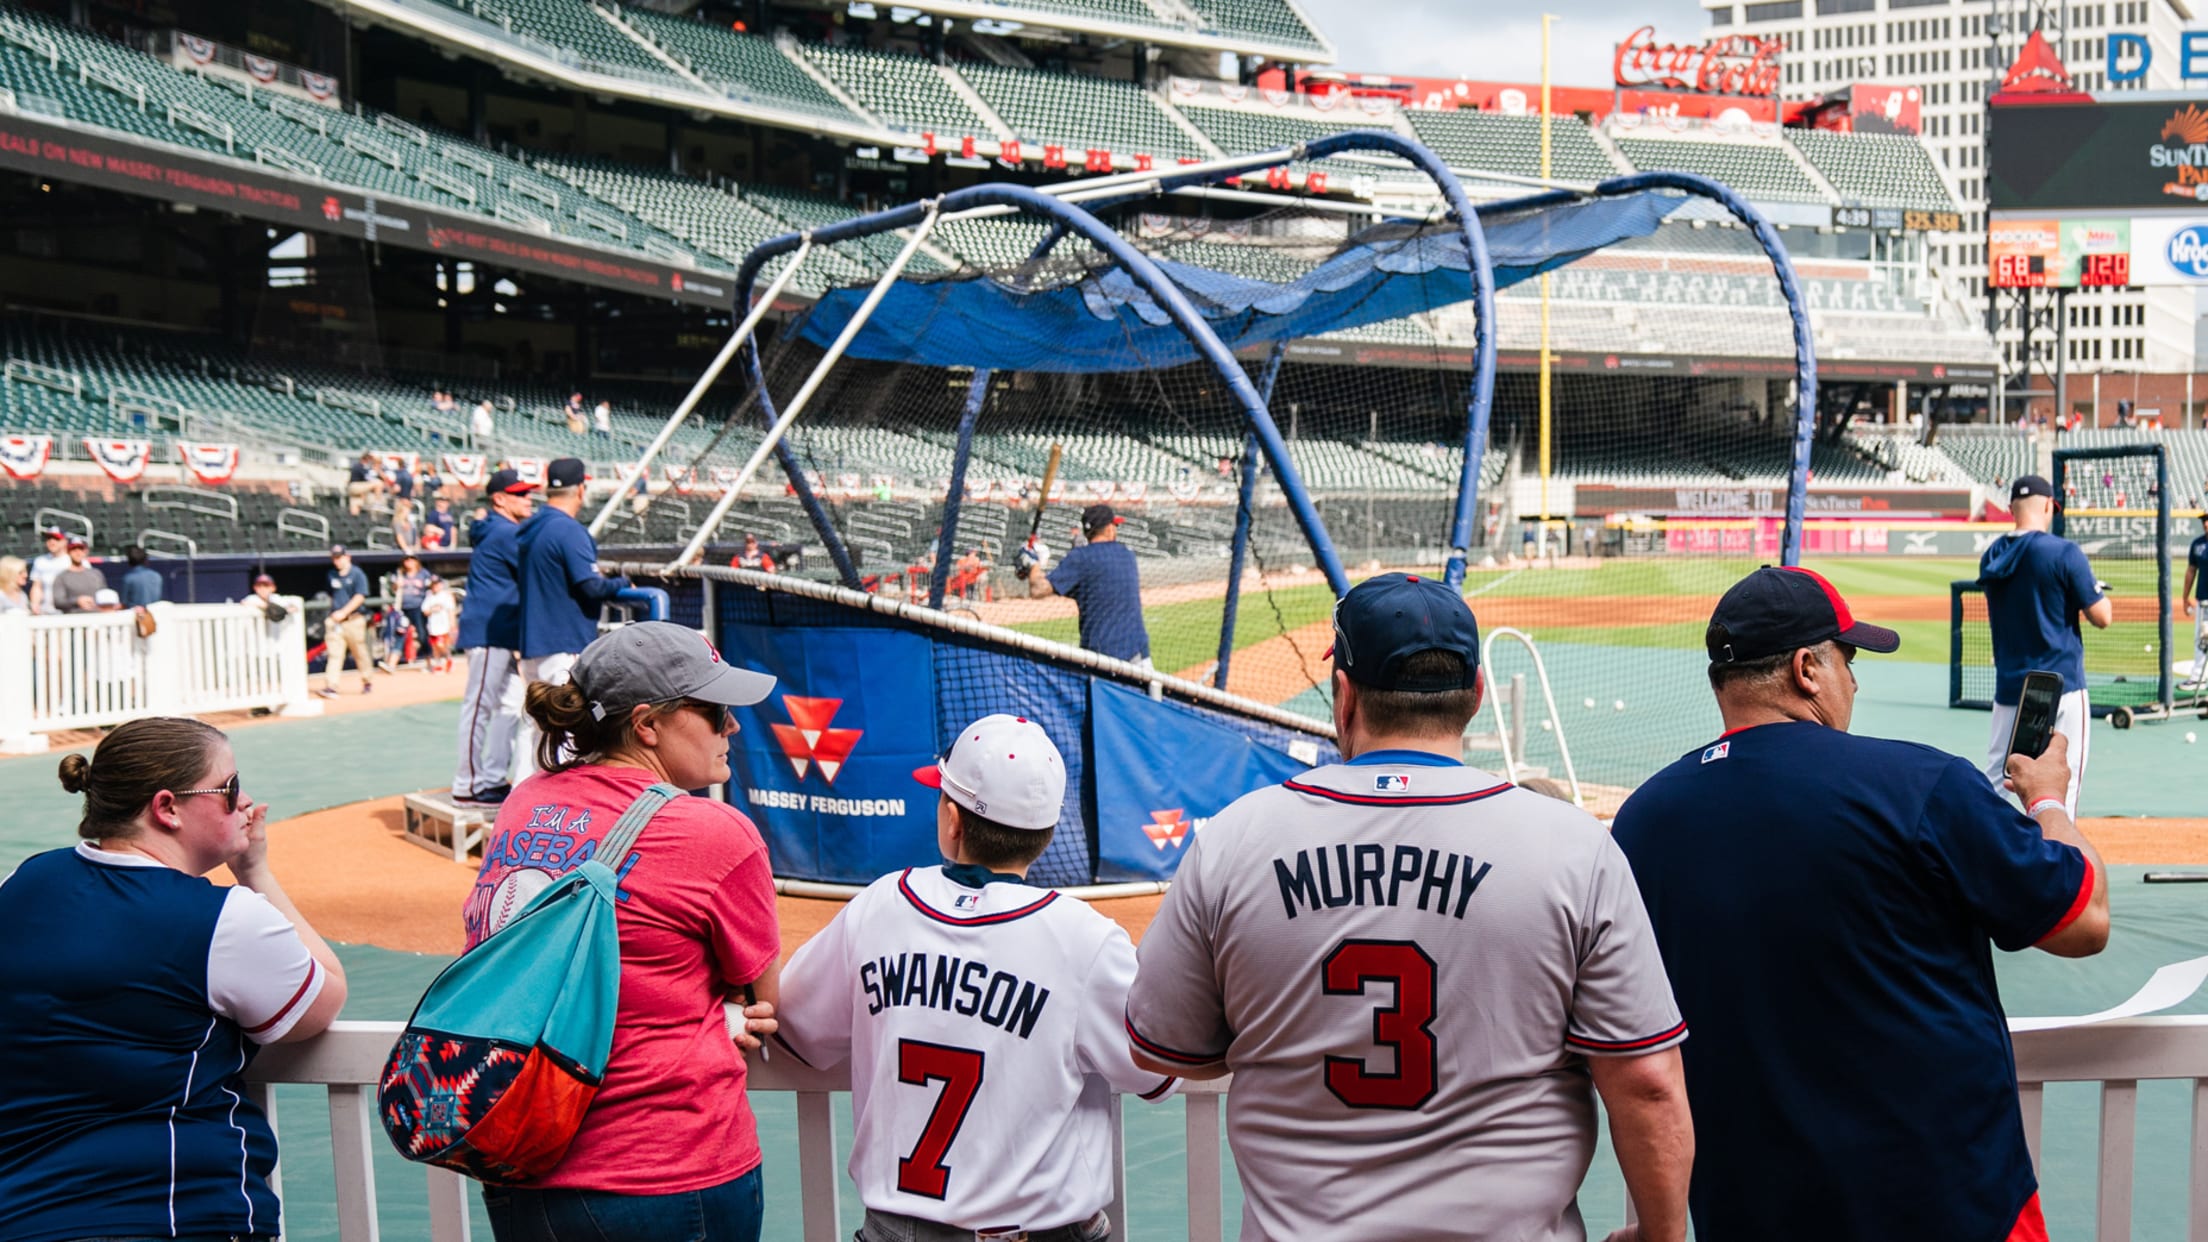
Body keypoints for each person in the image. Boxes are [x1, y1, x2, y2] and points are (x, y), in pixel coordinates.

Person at [1126, 573, 1692, 1242]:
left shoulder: (1234, 838)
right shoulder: (1573, 845)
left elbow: (1165, 1047)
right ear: (1477, 695)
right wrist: (1659, 1235)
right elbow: (1648, 1085)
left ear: (1343, 696)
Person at [1611, 566, 2108, 1242]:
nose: (1856, 679)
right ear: (1807, 669)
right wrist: (2047, 796)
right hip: (1948, 1207)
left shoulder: (1643, 820)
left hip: (1752, 1212)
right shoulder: (1919, 784)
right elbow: (2083, 920)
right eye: (1847, 659)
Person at [777, 714, 1176, 1242]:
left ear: (952, 820)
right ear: (1047, 833)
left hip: (899, 1232)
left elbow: (795, 1026)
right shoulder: (1086, 939)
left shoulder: (880, 906)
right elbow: (1156, 1071)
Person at [465, 623, 781, 1241]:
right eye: (716, 712)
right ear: (646, 725)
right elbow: (764, 999)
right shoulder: (715, 832)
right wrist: (725, 1004)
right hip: (664, 1172)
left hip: (520, 1157)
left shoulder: (526, 800)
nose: (733, 727)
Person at [0, 716, 348, 1240]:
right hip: (176, 1213)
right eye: (229, 788)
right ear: (166, 808)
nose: (245, 798)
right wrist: (255, 873)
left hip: (24, 1214)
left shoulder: (24, 883)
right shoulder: (222, 918)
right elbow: (325, 996)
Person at [1979, 475, 2112, 815]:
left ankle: (1980, 854)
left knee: (1998, 781)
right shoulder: (2064, 552)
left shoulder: (1992, 554)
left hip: (2011, 686)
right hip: (2061, 685)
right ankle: (2057, 858)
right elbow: (2102, 617)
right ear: (2048, 507)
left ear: (2010, 509)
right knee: (2063, 784)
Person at [513, 457, 631, 783]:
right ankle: (558, 806)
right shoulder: (567, 529)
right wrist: (622, 582)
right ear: (580, 489)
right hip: (564, 640)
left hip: (535, 642)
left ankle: (524, 802)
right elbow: (591, 586)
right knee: (566, 733)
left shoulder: (532, 527)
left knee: (538, 729)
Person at [452, 468, 538, 806]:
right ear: (499, 499)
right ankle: (467, 783)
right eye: (519, 494)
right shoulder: (504, 532)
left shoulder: (501, 528)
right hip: (488, 632)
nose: (527, 498)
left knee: (509, 705)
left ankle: (490, 777)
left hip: (500, 633)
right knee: (479, 707)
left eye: (528, 493)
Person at [1018, 504, 1150, 665]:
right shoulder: (1127, 555)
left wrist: (1033, 564)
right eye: (1114, 526)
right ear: (1108, 529)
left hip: (1102, 660)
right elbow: (1091, 582)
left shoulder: (1081, 559)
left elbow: (1038, 589)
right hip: (1139, 657)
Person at [320, 544, 374, 697]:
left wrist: (344, 612)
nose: (337, 561)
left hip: (354, 620)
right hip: (336, 622)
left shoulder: (357, 574)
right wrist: (333, 614)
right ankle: (331, 686)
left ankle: (367, 681)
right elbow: (331, 595)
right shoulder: (331, 574)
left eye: (339, 557)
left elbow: (360, 596)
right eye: (334, 558)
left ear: (347, 557)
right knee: (334, 654)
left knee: (360, 653)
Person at [385, 553, 433, 671]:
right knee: (400, 633)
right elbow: (393, 589)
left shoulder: (424, 574)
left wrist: (429, 606)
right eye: (406, 559)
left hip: (418, 608)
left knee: (422, 635)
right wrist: (397, 585)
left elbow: (431, 589)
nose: (409, 562)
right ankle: (392, 664)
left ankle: (430, 661)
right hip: (403, 608)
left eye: (412, 559)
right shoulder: (400, 573)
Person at [2181, 512, 2208, 690]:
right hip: (2204, 599)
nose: (2205, 524)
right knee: (2202, 639)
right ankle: (2199, 677)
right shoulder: (2197, 544)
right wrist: (2185, 597)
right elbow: (2191, 571)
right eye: (2204, 521)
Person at [50, 537, 108, 614]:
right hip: (74, 620)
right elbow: (58, 602)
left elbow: (105, 596)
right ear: (68, 552)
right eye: (74, 549)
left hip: (98, 618)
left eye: (81, 549)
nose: (78, 552)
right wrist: (76, 601)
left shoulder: (96, 574)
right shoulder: (62, 577)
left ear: (86, 551)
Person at [28, 526, 68, 614]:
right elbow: (37, 586)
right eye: (49, 538)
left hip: (69, 611)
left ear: (65, 541)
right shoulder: (40, 561)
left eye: (56, 539)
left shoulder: (73, 560)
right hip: (47, 611)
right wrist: (34, 604)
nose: (52, 542)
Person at [423, 576, 458, 674]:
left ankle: (448, 659)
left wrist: (453, 624)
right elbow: (425, 611)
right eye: (433, 585)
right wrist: (432, 610)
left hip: (444, 626)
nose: (435, 587)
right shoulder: (429, 596)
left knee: (441, 644)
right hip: (433, 626)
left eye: (437, 584)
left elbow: (451, 611)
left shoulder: (446, 596)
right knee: (435, 647)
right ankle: (438, 664)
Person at [347, 452, 382, 516]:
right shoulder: (361, 466)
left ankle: (354, 520)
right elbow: (368, 478)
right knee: (378, 483)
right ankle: (377, 503)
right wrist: (376, 471)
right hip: (356, 486)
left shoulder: (356, 466)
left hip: (353, 488)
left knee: (355, 505)